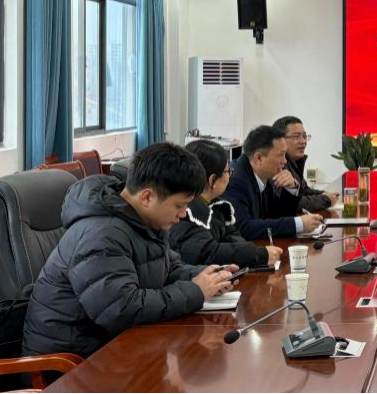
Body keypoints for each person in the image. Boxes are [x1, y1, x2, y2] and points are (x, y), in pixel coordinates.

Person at [22, 143, 237, 358]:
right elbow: (120, 309)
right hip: (72, 363)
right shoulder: (102, 235)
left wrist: (209, 277)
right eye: (179, 205)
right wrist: (195, 291)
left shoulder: (144, 219)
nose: (183, 215)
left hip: (114, 347)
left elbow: (167, 268)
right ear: (147, 197)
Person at [170, 140, 283, 268]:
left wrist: (249, 253)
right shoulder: (184, 213)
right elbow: (207, 253)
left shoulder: (218, 206)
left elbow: (233, 237)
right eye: (228, 171)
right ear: (213, 180)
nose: (230, 175)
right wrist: (258, 254)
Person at [222, 126, 324, 240]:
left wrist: (291, 188)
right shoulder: (234, 181)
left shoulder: (264, 174)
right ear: (258, 158)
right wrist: (297, 224)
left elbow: (276, 215)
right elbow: (243, 228)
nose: (285, 161)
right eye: (280, 155)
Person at [273, 116, 336, 211]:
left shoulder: (295, 161)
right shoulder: (276, 165)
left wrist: (325, 194)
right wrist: (326, 200)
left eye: (304, 136)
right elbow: (293, 204)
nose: (303, 141)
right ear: (280, 140)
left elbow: (304, 190)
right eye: (296, 137)